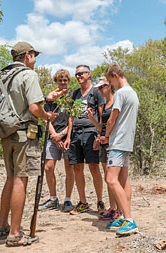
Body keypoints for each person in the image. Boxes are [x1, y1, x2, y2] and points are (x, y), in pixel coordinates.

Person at [0, 41, 60, 247]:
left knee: (10, 178)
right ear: (27, 55)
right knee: (20, 180)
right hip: (24, 134)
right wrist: (46, 115)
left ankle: (3, 226)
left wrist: (45, 99)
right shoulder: (28, 74)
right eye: (34, 56)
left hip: (5, 132)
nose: (34, 59)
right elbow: (34, 108)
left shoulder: (0, 76)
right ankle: (15, 234)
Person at [100, 64, 139, 236]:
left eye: (110, 81)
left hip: (117, 141)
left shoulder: (121, 93)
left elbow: (111, 120)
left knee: (110, 179)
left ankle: (129, 220)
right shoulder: (133, 93)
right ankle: (124, 216)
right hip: (127, 141)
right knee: (123, 180)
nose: (110, 85)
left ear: (115, 76)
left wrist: (106, 136)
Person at [66, 65, 106, 215]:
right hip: (76, 133)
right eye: (76, 74)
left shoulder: (96, 92)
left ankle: (100, 201)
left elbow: (101, 115)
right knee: (77, 168)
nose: (78, 76)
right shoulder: (74, 94)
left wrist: (99, 134)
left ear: (88, 74)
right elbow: (70, 117)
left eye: (81, 74)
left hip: (91, 133)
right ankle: (83, 202)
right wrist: (69, 136)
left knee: (94, 167)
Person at [39, 69, 75, 212]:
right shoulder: (51, 97)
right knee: (48, 167)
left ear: (68, 81)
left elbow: (73, 118)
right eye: (60, 80)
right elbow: (46, 117)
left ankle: (68, 199)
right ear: (56, 81)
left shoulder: (73, 97)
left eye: (65, 80)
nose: (63, 83)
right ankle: (53, 198)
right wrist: (54, 136)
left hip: (67, 136)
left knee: (69, 168)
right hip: (52, 136)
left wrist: (63, 134)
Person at [87, 76, 122, 221]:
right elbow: (102, 126)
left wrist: (106, 137)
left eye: (102, 87)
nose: (99, 90)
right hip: (103, 142)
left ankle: (119, 209)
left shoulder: (116, 102)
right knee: (108, 177)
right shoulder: (106, 104)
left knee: (113, 178)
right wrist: (93, 121)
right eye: (99, 88)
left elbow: (116, 124)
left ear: (109, 86)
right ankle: (113, 208)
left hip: (112, 144)